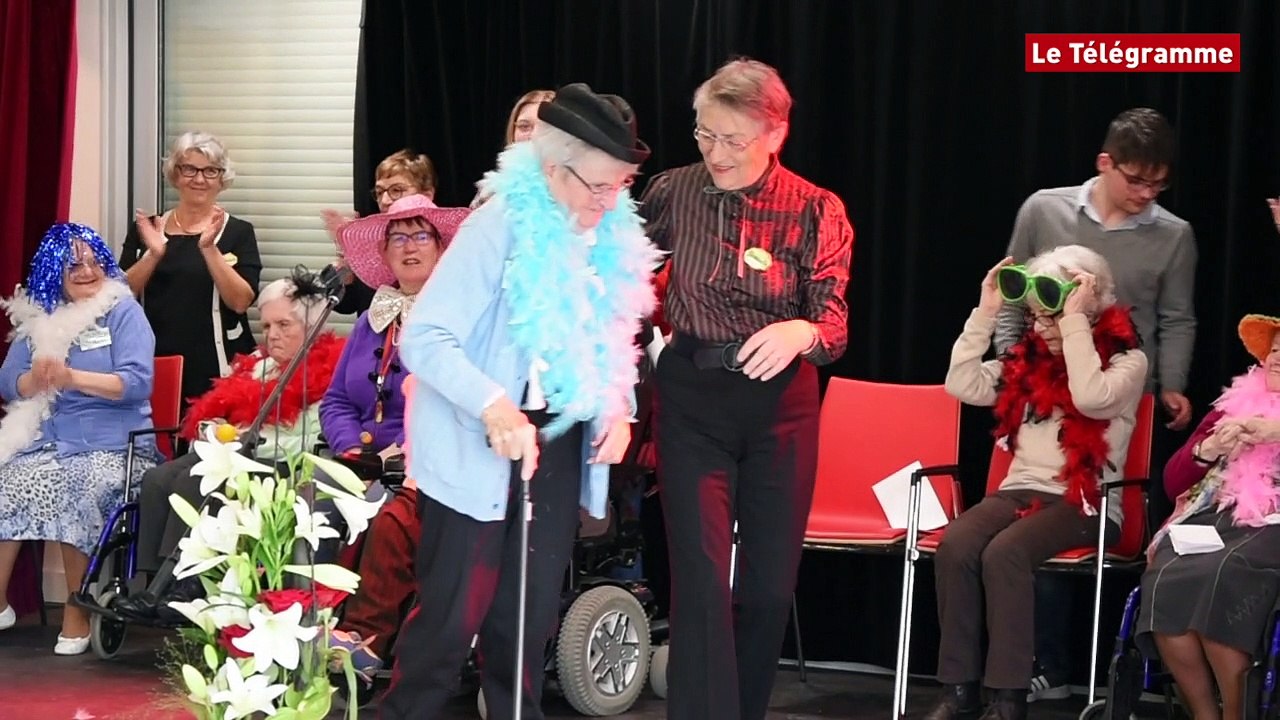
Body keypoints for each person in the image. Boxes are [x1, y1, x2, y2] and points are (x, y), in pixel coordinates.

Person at [379, 83, 659, 719]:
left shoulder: (607, 232)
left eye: (618, 185)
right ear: (553, 167)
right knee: (451, 620)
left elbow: (610, 338)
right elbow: (426, 337)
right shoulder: (498, 224)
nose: (607, 200)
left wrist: (616, 405)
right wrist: (493, 404)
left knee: (527, 622)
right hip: (481, 438)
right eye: (596, 185)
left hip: (556, 442)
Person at [637, 58, 854, 720]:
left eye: (733, 139)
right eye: (705, 134)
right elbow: (616, 274)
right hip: (692, 400)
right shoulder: (672, 192)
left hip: (779, 411)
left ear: (774, 134)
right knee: (700, 585)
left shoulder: (817, 209)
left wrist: (798, 332)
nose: (716, 153)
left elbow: (835, 324)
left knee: (764, 592)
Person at [991, 108, 1198, 699]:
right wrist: (1012, 361)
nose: (1146, 193)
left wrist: (1173, 383)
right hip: (1045, 387)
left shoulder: (1173, 234)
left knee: (1108, 507)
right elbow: (1014, 290)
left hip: (1120, 388)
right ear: (1105, 163)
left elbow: (1176, 317)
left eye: (1158, 184)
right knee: (1041, 505)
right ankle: (1048, 665)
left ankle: (1127, 673)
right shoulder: (1044, 209)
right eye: (1136, 179)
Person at [927, 246, 1147, 720]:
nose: (1042, 329)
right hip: (1019, 489)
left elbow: (1090, 399)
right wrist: (986, 312)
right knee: (958, 542)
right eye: (1036, 319)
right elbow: (961, 384)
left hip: (1086, 502)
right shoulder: (1024, 363)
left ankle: (1008, 696)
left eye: (1053, 318)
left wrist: (1073, 323)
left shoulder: (1127, 362)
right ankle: (959, 687)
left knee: (1005, 552)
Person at [114, 275, 342, 619]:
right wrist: (213, 429)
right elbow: (215, 414)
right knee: (158, 479)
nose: (273, 334)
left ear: (312, 326)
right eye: (267, 325)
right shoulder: (258, 368)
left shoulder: (329, 372)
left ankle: (187, 585)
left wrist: (244, 436)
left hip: (282, 465)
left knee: (192, 482)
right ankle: (150, 583)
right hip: (236, 454)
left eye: (284, 324)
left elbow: (313, 436)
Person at [319, 193, 469, 670]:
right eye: (396, 238)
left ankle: (363, 638)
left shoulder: (459, 317)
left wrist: (407, 451)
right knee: (303, 505)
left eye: (419, 235)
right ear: (383, 255)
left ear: (442, 247)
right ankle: (300, 623)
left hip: (423, 463)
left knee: (384, 517)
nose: (408, 246)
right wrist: (350, 449)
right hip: (358, 462)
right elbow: (337, 400)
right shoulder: (370, 321)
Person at [0, 224, 158, 654]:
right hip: (49, 439)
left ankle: (77, 608)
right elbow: (8, 383)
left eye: (94, 261)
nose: (87, 270)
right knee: (7, 478)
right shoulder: (39, 318)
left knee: (78, 485)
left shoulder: (124, 312)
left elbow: (138, 382)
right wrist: (34, 379)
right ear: (55, 272)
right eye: (74, 264)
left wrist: (72, 378)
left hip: (117, 443)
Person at [1136, 313, 1280, 720]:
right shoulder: (1233, 408)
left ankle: (1237, 714)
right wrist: (1208, 448)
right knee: (1167, 572)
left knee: (1226, 575)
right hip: (1220, 516)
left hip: (1273, 527)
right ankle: (1203, 714)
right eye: (1273, 350)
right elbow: (1171, 481)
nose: (1277, 358)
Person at [121, 131, 262, 403]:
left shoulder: (238, 232)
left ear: (222, 179)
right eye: (189, 169)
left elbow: (241, 301)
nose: (199, 179)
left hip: (218, 366)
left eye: (210, 171)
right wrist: (154, 253)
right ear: (175, 174)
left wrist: (209, 249)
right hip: (155, 362)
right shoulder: (147, 229)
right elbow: (120, 296)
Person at [324, 149, 441, 316]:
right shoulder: (373, 248)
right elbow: (345, 304)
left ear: (427, 195)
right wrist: (345, 253)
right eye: (379, 193)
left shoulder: (448, 249)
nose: (385, 201)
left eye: (396, 190)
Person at [470, 89, 556, 209]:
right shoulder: (491, 192)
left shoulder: (580, 191)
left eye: (545, 127)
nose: (533, 135)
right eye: (524, 126)